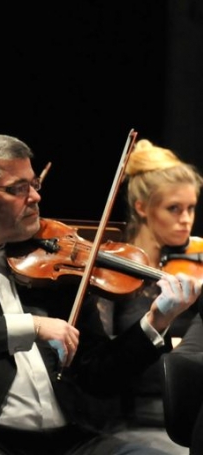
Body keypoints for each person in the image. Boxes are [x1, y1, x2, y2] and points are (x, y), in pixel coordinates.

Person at [0, 133, 202, 455]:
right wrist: (33, 327)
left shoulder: (54, 260)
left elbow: (98, 375)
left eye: (34, 183)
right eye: (18, 189)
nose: (35, 197)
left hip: (68, 438)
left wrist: (156, 320)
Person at [99, 138, 203, 453]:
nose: (186, 219)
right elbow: (104, 361)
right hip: (135, 420)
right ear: (143, 207)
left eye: (191, 208)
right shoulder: (111, 270)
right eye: (174, 209)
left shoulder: (196, 258)